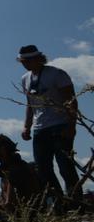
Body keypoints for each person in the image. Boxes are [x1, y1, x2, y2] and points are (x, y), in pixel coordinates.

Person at [18, 45, 82, 206]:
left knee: (66, 167)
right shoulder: (25, 78)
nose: (25, 64)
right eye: (23, 61)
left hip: (60, 125)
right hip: (40, 129)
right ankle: (59, 205)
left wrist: (71, 126)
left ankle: (77, 206)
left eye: (28, 60)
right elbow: (30, 104)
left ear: (38, 59)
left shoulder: (57, 74)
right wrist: (27, 126)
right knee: (44, 170)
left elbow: (71, 101)